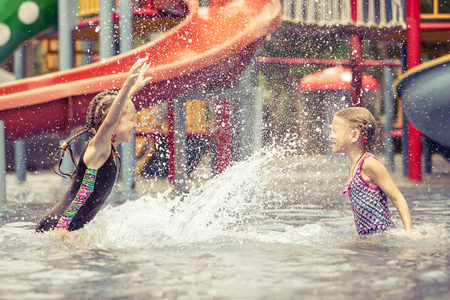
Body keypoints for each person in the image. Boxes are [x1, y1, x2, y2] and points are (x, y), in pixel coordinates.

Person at [36, 58, 152, 235]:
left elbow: (116, 113)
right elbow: (111, 119)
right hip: (58, 229)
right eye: (131, 120)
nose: (135, 125)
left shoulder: (108, 150)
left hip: (69, 230)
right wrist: (127, 85)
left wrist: (133, 90)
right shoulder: (98, 149)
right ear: (115, 125)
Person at [329, 107, 413, 235]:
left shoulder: (369, 164)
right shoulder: (355, 164)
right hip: (369, 238)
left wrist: (410, 234)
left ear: (354, 135)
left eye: (335, 131)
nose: (331, 136)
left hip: (382, 236)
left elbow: (398, 198)